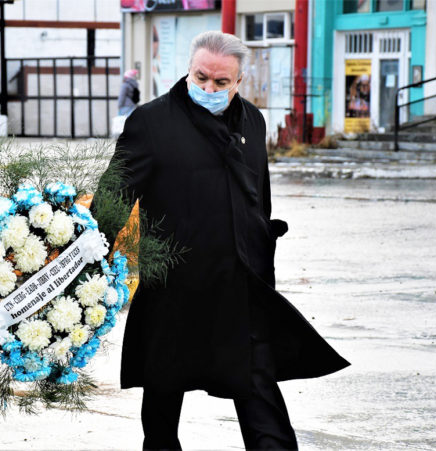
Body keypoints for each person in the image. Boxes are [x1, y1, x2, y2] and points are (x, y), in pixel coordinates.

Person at [98, 31, 349, 449]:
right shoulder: (152, 122)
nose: (209, 89)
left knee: (259, 388)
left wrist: (263, 260)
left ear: (239, 80)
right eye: (201, 78)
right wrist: (86, 261)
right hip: (173, 285)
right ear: (189, 70)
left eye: (221, 82)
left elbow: (259, 198)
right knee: (163, 394)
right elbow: (112, 199)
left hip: (239, 283)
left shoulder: (253, 120)